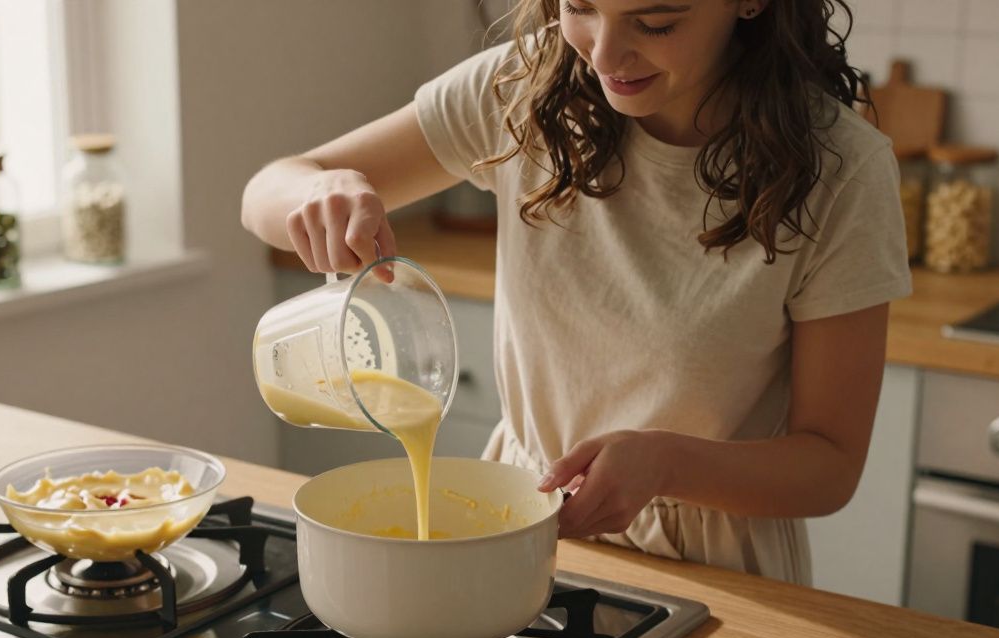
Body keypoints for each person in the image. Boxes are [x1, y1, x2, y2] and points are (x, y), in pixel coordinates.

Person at [240, 0, 911, 585]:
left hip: (716, 569)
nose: (605, 53)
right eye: (581, 7)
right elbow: (266, 191)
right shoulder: (520, 89)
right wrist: (321, 190)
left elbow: (829, 467)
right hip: (516, 518)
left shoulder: (839, 172)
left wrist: (665, 463)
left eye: (655, 20)